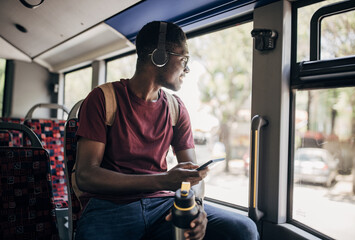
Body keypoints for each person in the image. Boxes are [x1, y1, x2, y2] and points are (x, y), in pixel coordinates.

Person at [74, 21, 259, 240]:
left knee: (243, 230)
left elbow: (193, 176)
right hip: (110, 207)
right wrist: (162, 180)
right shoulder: (103, 98)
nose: (187, 69)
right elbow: (86, 176)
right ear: (159, 56)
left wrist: (196, 206)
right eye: (184, 59)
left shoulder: (176, 108)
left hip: (163, 207)